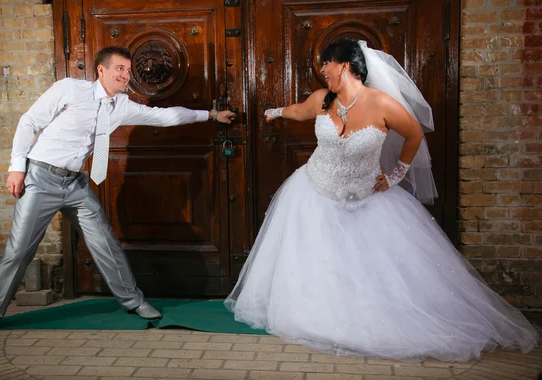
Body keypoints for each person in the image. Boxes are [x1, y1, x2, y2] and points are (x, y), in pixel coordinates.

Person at [225, 38, 539, 362]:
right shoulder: (322, 98)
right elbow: (299, 111)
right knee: (317, 259)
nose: (322, 70)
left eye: (326, 63)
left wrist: (395, 175)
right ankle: (316, 310)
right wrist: (275, 112)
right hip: (314, 191)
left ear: (344, 65)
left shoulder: (383, 104)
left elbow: (414, 133)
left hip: (366, 197)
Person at [0, 46, 236, 339]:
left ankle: (133, 301)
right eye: (119, 69)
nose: (126, 75)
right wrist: (16, 167)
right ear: (102, 71)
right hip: (41, 177)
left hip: (76, 184)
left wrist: (211, 114)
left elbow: (166, 117)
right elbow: (29, 122)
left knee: (105, 242)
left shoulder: (121, 106)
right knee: (20, 249)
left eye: (128, 70)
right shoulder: (70, 89)